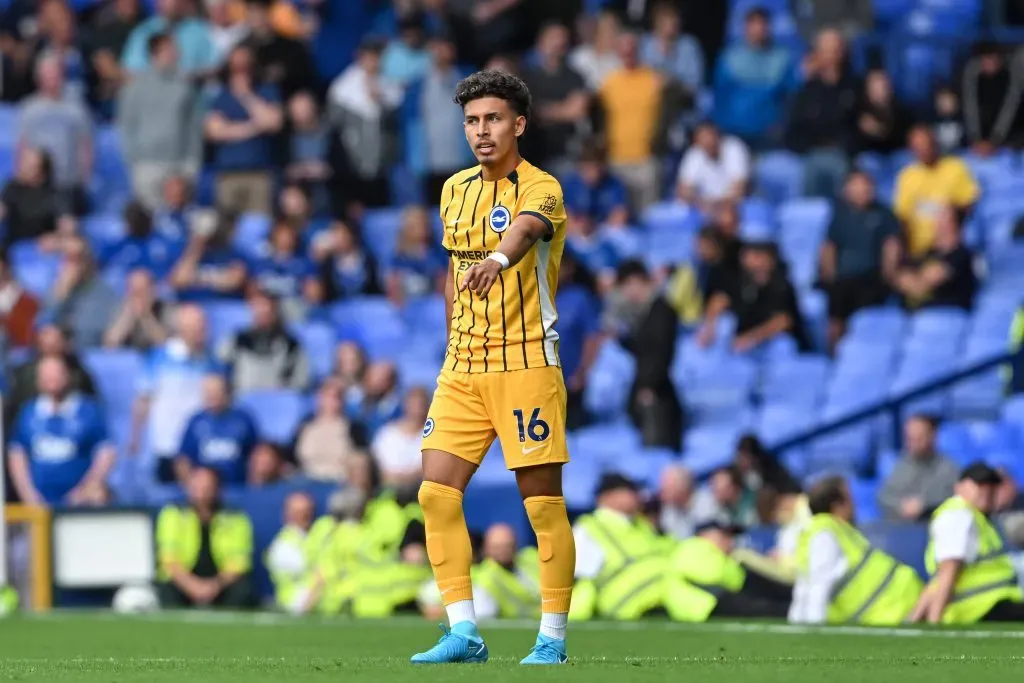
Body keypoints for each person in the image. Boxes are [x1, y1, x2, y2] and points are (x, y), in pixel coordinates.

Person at [410, 69, 575, 666]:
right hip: (463, 366)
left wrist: (498, 262)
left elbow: (526, 231)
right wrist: (451, 341)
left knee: (542, 504)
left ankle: (552, 638)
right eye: (472, 121)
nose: (482, 131)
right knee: (435, 493)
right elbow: (453, 274)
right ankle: (464, 631)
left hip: (526, 361)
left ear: (518, 124)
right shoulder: (453, 189)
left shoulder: (543, 187)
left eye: (493, 119)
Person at [789, 475, 922, 625]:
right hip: (894, 610)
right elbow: (818, 587)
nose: (854, 505)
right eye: (849, 498)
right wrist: (815, 630)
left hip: (902, 603)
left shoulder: (836, 529)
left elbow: (803, 589)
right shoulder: (824, 533)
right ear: (836, 506)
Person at [909, 463, 1024, 623]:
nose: (986, 490)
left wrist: (915, 619)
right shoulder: (958, 515)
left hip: (990, 606)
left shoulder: (975, 516)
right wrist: (935, 621)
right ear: (960, 487)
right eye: (979, 484)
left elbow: (938, 580)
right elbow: (949, 570)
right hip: (981, 609)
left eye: (991, 485)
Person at [7, 356, 115, 506]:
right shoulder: (29, 412)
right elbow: (17, 454)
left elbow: (106, 451)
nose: (51, 379)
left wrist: (85, 490)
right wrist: (29, 496)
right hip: (38, 504)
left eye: (56, 374)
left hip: (79, 504)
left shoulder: (88, 410)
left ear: (67, 375)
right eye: (46, 375)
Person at [117, 32, 204, 210]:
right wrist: (134, 161)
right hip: (146, 165)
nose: (177, 53)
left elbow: (193, 128)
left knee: (178, 218)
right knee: (149, 216)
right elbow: (126, 125)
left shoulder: (185, 87)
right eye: (171, 49)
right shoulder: (135, 87)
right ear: (156, 53)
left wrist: (192, 163)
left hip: (178, 165)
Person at [603, 260, 682, 449]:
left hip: (655, 391)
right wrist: (623, 339)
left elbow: (662, 353)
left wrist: (649, 386)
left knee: (657, 444)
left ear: (636, 280)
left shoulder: (662, 310)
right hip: (648, 385)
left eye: (625, 287)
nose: (625, 294)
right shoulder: (647, 312)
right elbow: (643, 349)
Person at [819, 170, 901, 350]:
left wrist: (889, 275)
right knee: (836, 315)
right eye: (857, 186)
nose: (864, 190)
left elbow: (891, 245)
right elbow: (829, 247)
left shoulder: (884, 215)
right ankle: (835, 355)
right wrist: (829, 277)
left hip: (871, 277)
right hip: (843, 279)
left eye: (867, 186)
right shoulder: (839, 215)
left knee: (867, 314)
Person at [155, 467, 255, 608]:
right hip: (184, 581)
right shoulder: (173, 514)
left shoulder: (236, 517)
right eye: (196, 487)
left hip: (220, 583)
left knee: (243, 590)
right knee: (167, 588)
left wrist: (215, 585)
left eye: (207, 488)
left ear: (217, 489)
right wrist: (193, 586)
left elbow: (239, 562)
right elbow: (168, 559)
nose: (201, 493)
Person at [893, 125, 979, 258]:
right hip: (919, 249)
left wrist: (950, 212)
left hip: (951, 244)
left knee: (946, 214)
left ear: (934, 143)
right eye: (917, 147)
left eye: (926, 144)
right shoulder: (907, 176)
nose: (923, 150)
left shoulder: (955, 167)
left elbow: (969, 203)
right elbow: (902, 215)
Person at [218, 289, 310, 393]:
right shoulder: (237, 340)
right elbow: (219, 366)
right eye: (259, 311)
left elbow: (301, 381)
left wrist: (284, 393)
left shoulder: (290, 345)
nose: (262, 314)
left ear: (275, 312)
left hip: (277, 399)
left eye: (267, 311)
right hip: (241, 396)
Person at [175, 374, 258, 486]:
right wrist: (191, 486)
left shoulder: (244, 420)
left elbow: (256, 455)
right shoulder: (195, 422)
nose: (213, 397)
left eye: (217, 392)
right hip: (206, 490)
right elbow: (183, 460)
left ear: (227, 392)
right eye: (209, 393)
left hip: (238, 487)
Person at [893, 205, 977, 311]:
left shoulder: (961, 254)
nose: (935, 222)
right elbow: (901, 277)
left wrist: (914, 282)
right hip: (919, 314)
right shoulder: (928, 252)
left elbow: (930, 279)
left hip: (949, 313)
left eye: (942, 218)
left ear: (954, 224)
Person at [878, 414, 959, 522]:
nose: (914, 444)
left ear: (932, 436)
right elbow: (884, 497)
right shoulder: (900, 466)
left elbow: (956, 500)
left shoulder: (949, 468)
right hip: (902, 526)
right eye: (910, 439)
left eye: (919, 438)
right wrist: (901, 505)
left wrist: (925, 506)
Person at [676, 120, 750, 208]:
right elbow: (683, 190)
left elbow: (740, 188)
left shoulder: (734, 147)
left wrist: (718, 205)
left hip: (733, 205)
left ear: (717, 135)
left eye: (709, 136)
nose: (707, 141)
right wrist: (702, 203)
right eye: (702, 138)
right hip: (702, 206)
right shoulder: (693, 154)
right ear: (696, 140)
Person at [264, 491, 316, 611]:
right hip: (294, 604)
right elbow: (313, 571)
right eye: (299, 512)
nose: (305, 516)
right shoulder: (283, 545)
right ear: (287, 515)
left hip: (316, 603)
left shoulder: (313, 537)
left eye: (308, 511)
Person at [371, 386, 429, 487]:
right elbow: (377, 462)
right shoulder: (387, 433)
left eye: (421, 404)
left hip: (417, 489)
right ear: (406, 404)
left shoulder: (432, 437)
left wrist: (408, 478)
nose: (417, 409)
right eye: (414, 403)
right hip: (386, 488)